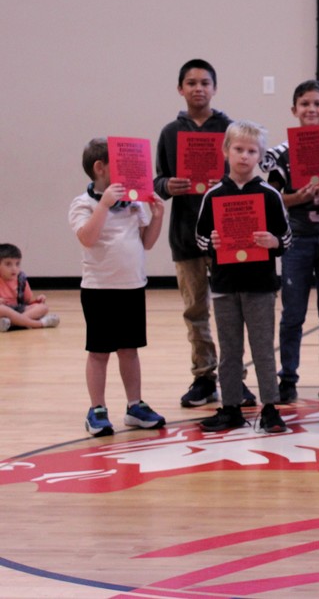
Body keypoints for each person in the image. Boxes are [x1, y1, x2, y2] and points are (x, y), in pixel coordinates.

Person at [154, 59, 255, 408]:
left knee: (232, 311)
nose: (198, 88)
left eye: (205, 83)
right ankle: (204, 377)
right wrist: (167, 185)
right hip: (185, 235)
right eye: (191, 83)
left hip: (227, 235)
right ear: (180, 89)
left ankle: (234, 379)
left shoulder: (231, 130)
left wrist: (226, 181)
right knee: (195, 310)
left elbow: (248, 175)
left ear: (215, 88)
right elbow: (157, 180)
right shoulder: (170, 132)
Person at [195, 121, 292, 433]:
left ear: (260, 156)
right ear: (226, 150)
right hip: (224, 285)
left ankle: (270, 408)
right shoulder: (213, 195)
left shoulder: (269, 195)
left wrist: (273, 242)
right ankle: (231, 407)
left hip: (261, 286)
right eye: (238, 149)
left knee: (263, 348)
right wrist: (212, 243)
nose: (244, 156)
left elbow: (287, 238)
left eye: (252, 151)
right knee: (229, 350)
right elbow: (199, 238)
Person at [261, 80, 319, 406]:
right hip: (297, 240)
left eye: (317, 104)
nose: (311, 109)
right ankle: (287, 379)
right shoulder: (280, 153)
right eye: (305, 104)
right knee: (293, 314)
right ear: (294, 110)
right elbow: (271, 199)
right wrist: (296, 197)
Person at [70, 138, 166, 436]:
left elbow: (147, 243)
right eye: (121, 164)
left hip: (132, 287)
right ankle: (97, 409)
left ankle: (134, 405)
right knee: (99, 352)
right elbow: (87, 238)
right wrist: (104, 205)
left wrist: (158, 216)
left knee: (129, 350)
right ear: (100, 168)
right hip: (99, 289)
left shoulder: (134, 202)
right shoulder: (83, 203)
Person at [0, 243, 60, 332]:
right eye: (8, 264)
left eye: (17, 264)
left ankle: (11, 324)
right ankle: (39, 324)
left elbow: (27, 302)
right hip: (3, 312)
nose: (14, 268)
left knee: (43, 307)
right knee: (2, 309)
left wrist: (38, 300)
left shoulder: (21, 279)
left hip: (18, 310)